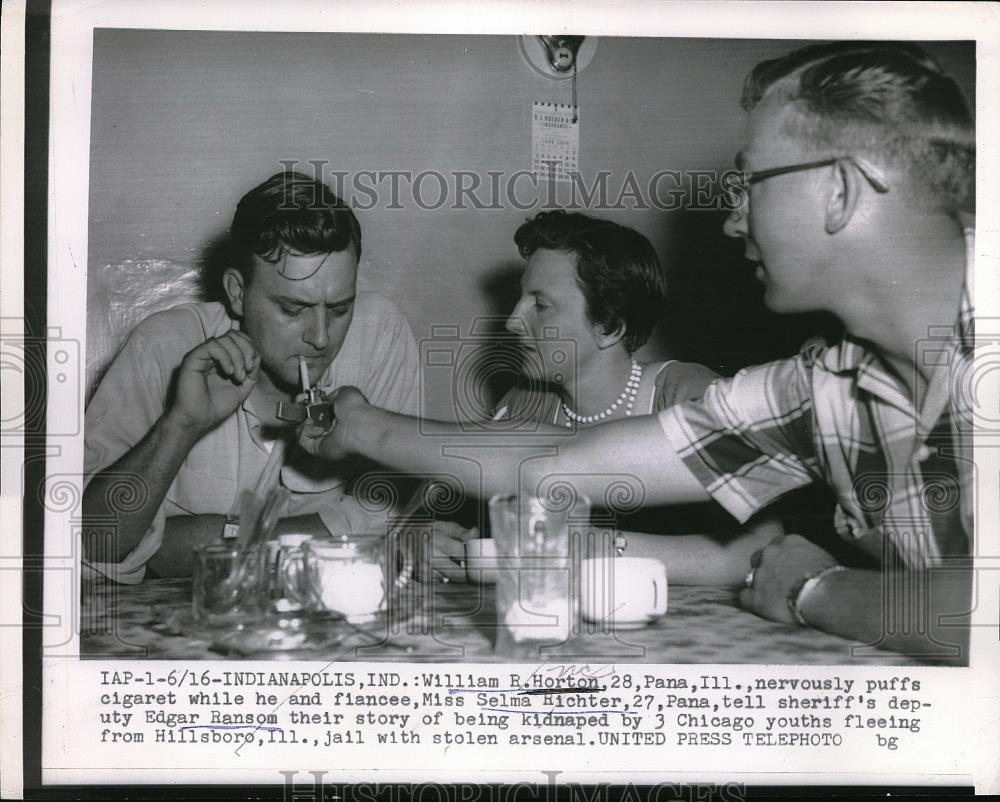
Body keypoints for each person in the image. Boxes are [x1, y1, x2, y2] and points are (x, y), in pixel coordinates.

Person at [300, 42, 975, 659]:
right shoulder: (821, 386)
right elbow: (555, 462)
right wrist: (360, 425)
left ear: (840, 190)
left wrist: (817, 590)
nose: (732, 217)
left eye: (752, 182)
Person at [82, 171, 421, 582]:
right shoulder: (163, 346)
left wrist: (198, 541)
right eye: (292, 309)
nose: (320, 337)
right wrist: (182, 425)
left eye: (338, 309)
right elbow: (92, 542)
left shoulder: (380, 335)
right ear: (237, 292)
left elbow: (397, 523)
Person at [423, 209, 780, 584]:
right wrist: (430, 540)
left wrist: (601, 549)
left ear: (609, 326)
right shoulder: (523, 403)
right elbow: (470, 525)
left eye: (540, 306)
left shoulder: (694, 399)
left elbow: (761, 551)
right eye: (520, 300)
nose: (513, 321)